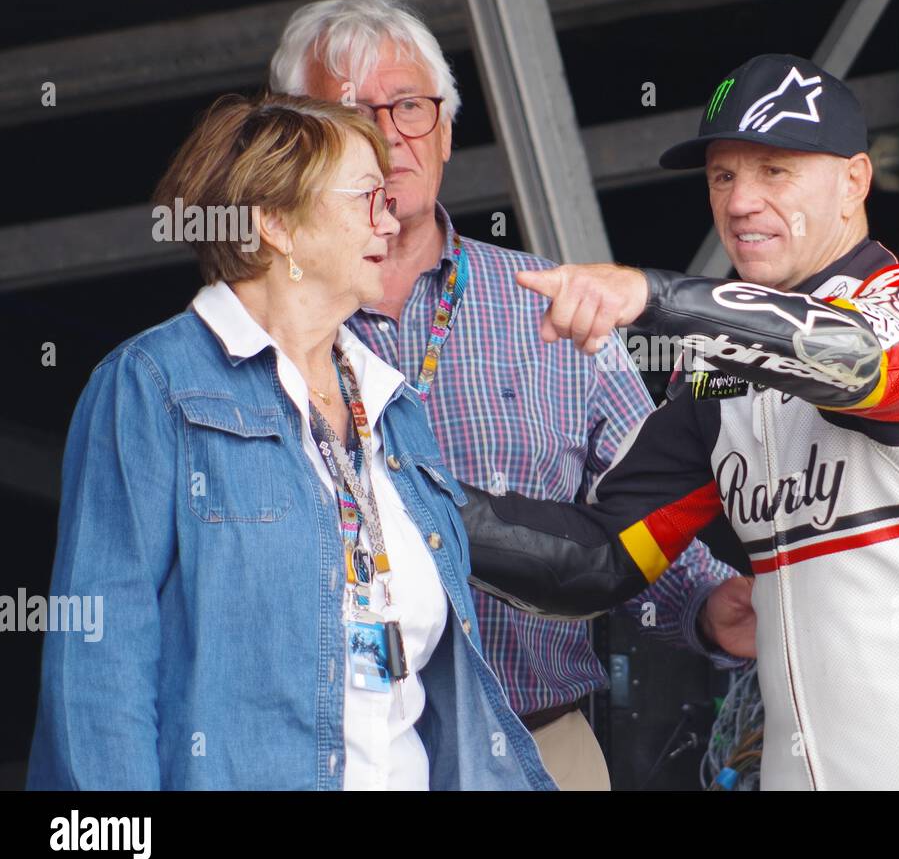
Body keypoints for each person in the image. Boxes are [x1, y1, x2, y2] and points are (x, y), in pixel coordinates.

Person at [462, 54, 899, 791]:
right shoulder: (715, 380)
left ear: (855, 181)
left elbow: (846, 361)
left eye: (774, 171)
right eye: (723, 176)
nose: (740, 202)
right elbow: (598, 559)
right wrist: (414, 498)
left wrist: (651, 295)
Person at [269, 0, 755, 789]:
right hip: (333, 762)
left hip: (542, 750)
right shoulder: (261, 330)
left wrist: (710, 606)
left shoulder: (552, 302)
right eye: (352, 112)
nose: (389, 137)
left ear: (447, 130)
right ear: (298, 145)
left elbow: (636, 506)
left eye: (410, 107)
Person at [26, 93, 554, 791]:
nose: (391, 219)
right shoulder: (152, 386)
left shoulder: (392, 404)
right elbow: (97, 670)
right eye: (367, 197)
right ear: (275, 224)